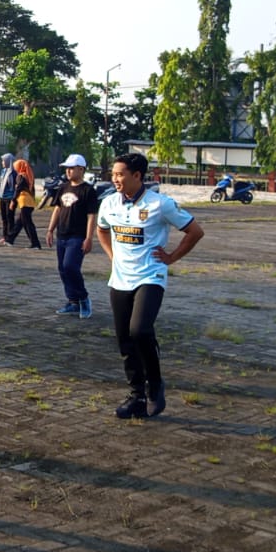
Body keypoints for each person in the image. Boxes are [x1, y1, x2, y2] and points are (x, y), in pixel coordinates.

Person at [95, 151, 205, 420]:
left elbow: (195, 231)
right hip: (120, 279)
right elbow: (102, 229)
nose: (115, 179)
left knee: (140, 330)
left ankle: (154, 385)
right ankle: (137, 396)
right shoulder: (109, 202)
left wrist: (171, 257)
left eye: (120, 174)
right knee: (124, 339)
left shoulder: (160, 204)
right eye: (113, 174)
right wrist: (112, 256)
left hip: (150, 277)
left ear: (137, 176)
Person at [46, 153, 99, 318]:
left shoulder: (88, 190)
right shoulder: (63, 188)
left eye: (71, 168)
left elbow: (91, 216)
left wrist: (89, 238)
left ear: (81, 169)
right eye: (66, 168)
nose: (68, 171)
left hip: (77, 236)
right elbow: (57, 209)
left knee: (70, 266)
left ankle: (83, 298)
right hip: (62, 235)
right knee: (63, 269)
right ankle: (73, 301)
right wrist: (50, 230)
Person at [5, 158, 42, 248]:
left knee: (28, 224)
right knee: (20, 223)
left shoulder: (21, 176)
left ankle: (35, 244)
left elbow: (18, 189)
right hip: (29, 203)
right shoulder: (29, 176)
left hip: (25, 202)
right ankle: (10, 239)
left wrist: (13, 201)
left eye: (16, 166)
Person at [0, 152, 17, 243]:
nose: (2, 162)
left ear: (8, 161)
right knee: (4, 218)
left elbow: (16, 188)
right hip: (2, 197)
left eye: (3, 161)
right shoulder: (3, 171)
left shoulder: (14, 173)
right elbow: (0, 184)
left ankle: (10, 237)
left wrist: (13, 200)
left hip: (10, 198)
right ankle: (4, 236)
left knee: (10, 218)